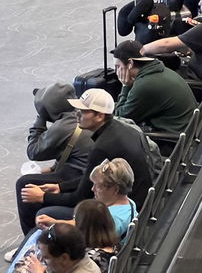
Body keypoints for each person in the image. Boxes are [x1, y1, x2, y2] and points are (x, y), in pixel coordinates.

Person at [20, 88, 150, 236]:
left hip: (121, 210)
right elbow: (90, 181)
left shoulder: (103, 147)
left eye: (83, 111)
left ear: (100, 116)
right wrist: (60, 187)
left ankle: (31, 245)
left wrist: (43, 197)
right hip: (132, 201)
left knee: (45, 212)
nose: (77, 114)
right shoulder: (122, 129)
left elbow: (82, 196)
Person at [114, 49, 196, 137]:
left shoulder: (145, 85)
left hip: (170, 139)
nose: (116, 71)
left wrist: (125, 86)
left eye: (118, 66)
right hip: (185, 128)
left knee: (113, 131)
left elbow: (121, 119)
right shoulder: (159, 70)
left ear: (130, 63)